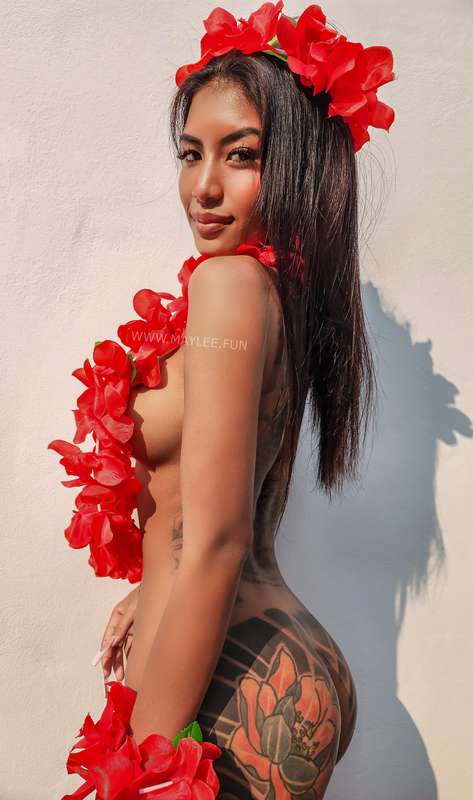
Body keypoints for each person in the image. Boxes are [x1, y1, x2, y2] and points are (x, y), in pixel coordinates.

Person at [52, 3, 395, 798]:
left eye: (240, 156)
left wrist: (143, 768)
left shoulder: (227, 285)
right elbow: (210, 509)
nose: (203, 188)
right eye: (190, 154)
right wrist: (152, 587)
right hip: (266, 666)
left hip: (239, 692)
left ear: (296, 164)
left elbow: (217, 537)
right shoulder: (272, 290)